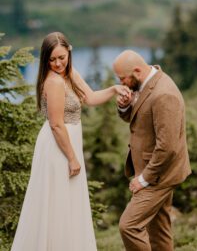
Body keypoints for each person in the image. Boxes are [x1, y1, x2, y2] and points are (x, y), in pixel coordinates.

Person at [11, 32, 130, 251]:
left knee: (68, 202)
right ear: (46, 58)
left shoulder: (69, 73)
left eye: (61, 58)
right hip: (58, 147)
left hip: (67, 144)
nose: (57, 63)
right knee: (58, 202)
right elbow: (56, 124)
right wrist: (73, 158)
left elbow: (91, 97)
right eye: (52, 59)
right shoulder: (54, 82)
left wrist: (114, 89)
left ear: (69, 52)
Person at [113, 50, 191, 251]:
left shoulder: (164, 94)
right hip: (153, 169)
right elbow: (139, 119)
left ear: (137, 71)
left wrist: (144, 178)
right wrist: (125, 107)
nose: (121, 84)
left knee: (128, 226)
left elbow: (168, 147)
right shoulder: (146, 83)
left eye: (123, 78)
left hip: (160, 174)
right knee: (159, 230)